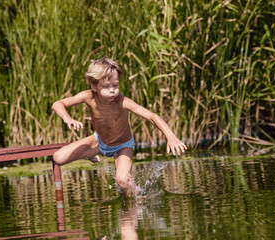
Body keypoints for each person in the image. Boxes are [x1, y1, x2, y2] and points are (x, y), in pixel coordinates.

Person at [52, 56, 187, 195]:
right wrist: (67, 118)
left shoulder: (122, 102)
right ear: (94, 86)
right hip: (99, 141)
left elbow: (151, 116)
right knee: (58, 157)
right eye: (105, 86)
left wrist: (171, 136)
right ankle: (90, 154)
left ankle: (136, 198)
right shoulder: (88, 97)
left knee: (122, 181)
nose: (112, 90)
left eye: (115, 85)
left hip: (122, 146)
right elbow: (57, 104)